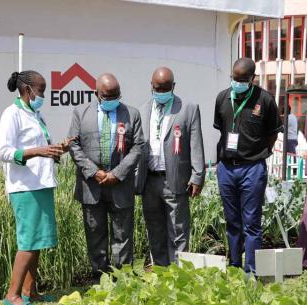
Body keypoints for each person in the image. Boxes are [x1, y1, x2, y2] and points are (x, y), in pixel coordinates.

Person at [0, 70, 73, 305]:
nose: (43, 95)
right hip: (24, 187)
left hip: (41, 184)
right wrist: (38, 151)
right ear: (27, 89)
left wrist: (56, 149)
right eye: (40, 90)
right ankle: (12, 295)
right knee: (28, 241)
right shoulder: (12, 114)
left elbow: (40, 148)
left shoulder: (35, 114)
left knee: (38, 241)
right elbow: (5, 152)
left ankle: (30, 292)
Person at [68, 73, 144, 282]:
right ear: (97, 94)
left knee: (122, 234)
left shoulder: (132, 114)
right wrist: (94, 171)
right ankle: (99, 278)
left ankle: (122, 279)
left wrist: (117, 174)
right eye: (107, 97)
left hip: (120, 185)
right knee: (95, 233)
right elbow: (74, 146)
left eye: (116, 96)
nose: (112, 100)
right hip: (91, 186)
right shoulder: (81, 113)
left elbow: (138, 147)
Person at [213, 58, 283, 275]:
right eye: (235, 78)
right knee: (232, 221)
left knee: (251, 223)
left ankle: (251, 271)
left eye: (243, 79)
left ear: (252, 78)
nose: (238, 82)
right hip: (226, 168)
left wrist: (260, 153)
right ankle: (234, 267)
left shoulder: (266, 100)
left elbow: (272, 134)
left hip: (252, 169)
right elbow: (221, 129)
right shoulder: (223, 98)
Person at [135, 66, 205, 266]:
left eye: (166, 89)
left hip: (174, 179)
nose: (161, 93)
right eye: (158, 89)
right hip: (149, 180)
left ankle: (177, 276)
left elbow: (196, 143)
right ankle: (160, 271)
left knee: (178, 231)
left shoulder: (188, 109)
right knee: (154, 230)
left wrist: (197, 175)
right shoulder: (142, 110)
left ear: (173, 86)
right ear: (151, 86)